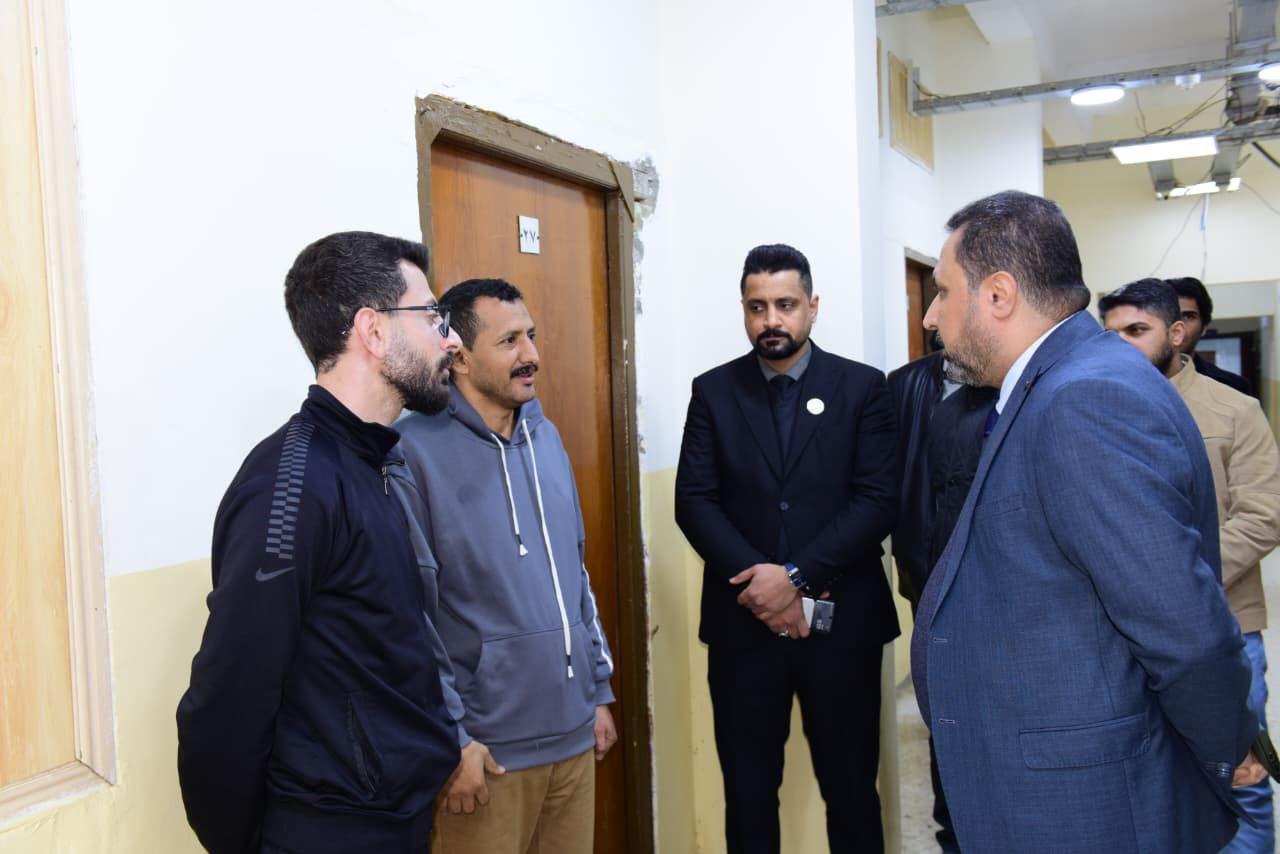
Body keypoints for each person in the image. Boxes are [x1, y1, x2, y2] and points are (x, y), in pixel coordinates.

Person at [911, 191, 1261, 853]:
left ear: (998, 295)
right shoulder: (1061, 383)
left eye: (944, 292)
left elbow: (1181, 627)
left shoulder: (1084, 399)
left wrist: (1218, 752)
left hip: (1088, 805)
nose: (931, 316)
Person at [176, 232, 463, 853]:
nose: (452, 339)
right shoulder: (292, 484)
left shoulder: (373, 463)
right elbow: (230, 694)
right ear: (373, 330)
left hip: (395, 820)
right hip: (328, 831)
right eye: (433, 316)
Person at [675, 244, 898, 853]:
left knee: (852, 791)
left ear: (812, 307)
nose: (771, 320)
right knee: (748, 794)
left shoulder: (862, 388)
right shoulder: (714, 391)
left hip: (842, 627)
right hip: (744, 630)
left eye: (785, 304)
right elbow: (694, 501)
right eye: (757, 307)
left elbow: (878, 500)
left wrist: (794, 577)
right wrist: (764, 586)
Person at [395, 278, 617, 854]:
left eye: (532, 336)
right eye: (510, 340)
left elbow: (574, 573)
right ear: (459, 356)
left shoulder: (546, 437)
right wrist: (453, 738)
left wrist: (597, 690)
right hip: (486, 756)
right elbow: (410, 616)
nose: (531, 354)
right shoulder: (410, 452)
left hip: (573, 738)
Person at [1100, 277, 1280, 853]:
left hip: (1226, 626)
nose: (1121, 344)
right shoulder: (1095, 409)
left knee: (1240, 778)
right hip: (1128, 636)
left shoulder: (1234, 409)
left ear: (1177, 333)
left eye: (1136, 330)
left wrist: (1178, 579)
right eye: (1111, 334)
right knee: (1154, 779)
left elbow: (1264, 515)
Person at [888, 339, 995, 854]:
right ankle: (953, 834)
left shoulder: (1021, 379)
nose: (933, 320)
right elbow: (890, 480)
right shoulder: (906, 385)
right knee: (947, 717)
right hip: (930, 577)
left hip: (1003, 587)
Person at [1167, 276, 1255, 398]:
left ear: (1204, 327)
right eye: (1169, 314)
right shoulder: (1139, 381)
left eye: (1188, 316)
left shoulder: (1234, 387)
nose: (1178, 327)